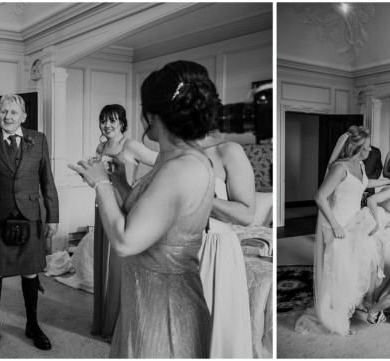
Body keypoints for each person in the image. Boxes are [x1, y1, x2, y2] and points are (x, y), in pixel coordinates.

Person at [70, 60, 217, 357]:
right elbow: (144, 214)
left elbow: (126, 241)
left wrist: (102, 185)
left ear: (153, 114)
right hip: (143, 295)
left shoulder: (183, 167)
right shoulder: (171, 158)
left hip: (167, 307)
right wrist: (119, 182)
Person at [0, 94, 59, 352]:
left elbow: (47, 181)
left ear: (23, 117)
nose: (7, 117)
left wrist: (52, 216)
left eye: (13, 113)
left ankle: (32, 325)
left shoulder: (38, 140)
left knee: (30, 272)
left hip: (29, 216)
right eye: (3, 112)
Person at [295, 125, 390, 336]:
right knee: (340, 271)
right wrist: (335, 226)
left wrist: (389, 181)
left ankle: (357, 302)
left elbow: (364, 184)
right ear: (358, 147)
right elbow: (320, 197)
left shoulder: (360, 165)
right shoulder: (339, 168)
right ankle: (335, 315)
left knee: (361, 263)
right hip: (338, 222)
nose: (371, 150)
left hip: (355, 221)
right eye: (368, 147)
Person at [90, 104, 156, 341]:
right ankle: (104, 320)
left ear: (122, 123)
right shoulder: (101, 146)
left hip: (122, 210)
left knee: (119, 266)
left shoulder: (131, 145)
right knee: (104, 265)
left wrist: (139, 187)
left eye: (112, 120)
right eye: (103, 120)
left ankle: (119, 325)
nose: (107, 125)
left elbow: (162, 162)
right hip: (101, 207)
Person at [197, 128, 255, 358]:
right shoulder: (173, 150)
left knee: (213, 327)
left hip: (214, 248)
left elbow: (247, 216)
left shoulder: (228, 150)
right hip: (176, 249)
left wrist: (204, 196)